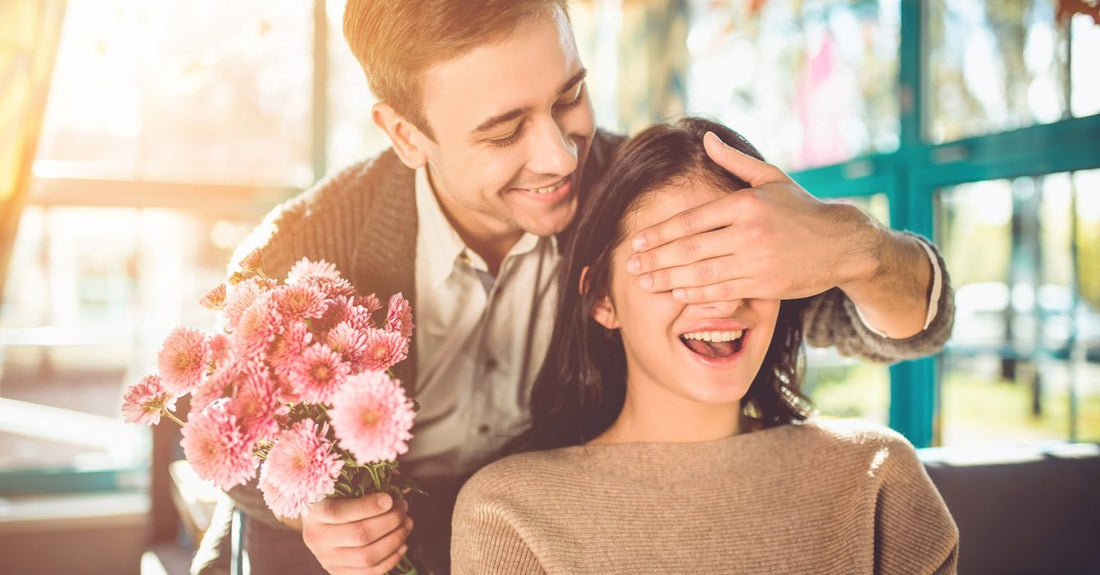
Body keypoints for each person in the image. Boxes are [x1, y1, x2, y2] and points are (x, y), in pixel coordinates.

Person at [191, 1, 955, 574]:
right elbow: (223, 442)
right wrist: (309, 509)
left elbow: (901, 322)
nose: (560, 157)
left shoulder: (642, 195)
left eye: (569, 97)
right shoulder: (304, 252)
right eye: (503, 130)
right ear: (404, 133)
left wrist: (856, 247)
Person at [450, 117, 959, 574]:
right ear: (601, 298)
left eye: (741, 259)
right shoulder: (508, 512)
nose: (722, 298)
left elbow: (920, 314)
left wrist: (854, 242)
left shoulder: (875, 476)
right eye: (682, 264)